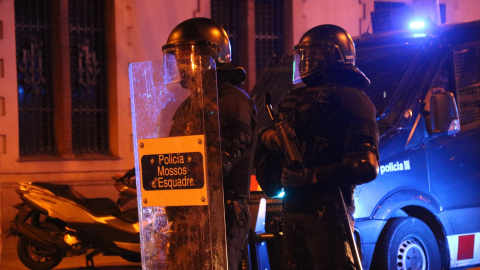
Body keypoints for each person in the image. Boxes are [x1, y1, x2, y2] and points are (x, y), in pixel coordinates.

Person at [256, 24, 379, 269]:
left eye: (314, 55)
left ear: (335, 55)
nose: (307, 61)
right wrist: (269, 137)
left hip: (330, 210)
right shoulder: (296, 98)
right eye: (305, 55)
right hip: (292, 210)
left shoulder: (352, 98)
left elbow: (366, 165)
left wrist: (310, 177)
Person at [162, 17, 257, 270]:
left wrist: (185, 168)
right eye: (178, 58)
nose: (182, 66)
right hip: (187, 213)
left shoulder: (232, 101)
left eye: (187, 58)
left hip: (220, 212)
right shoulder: (188, 105)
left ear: (209, 59)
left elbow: (224, 159)